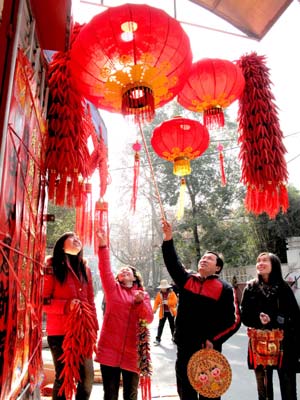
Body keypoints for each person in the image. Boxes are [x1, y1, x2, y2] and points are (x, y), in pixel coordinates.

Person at [161, 219, 241, 400]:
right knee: (186, 393)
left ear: (218, 267)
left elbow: (234, 321)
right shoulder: (187, 280)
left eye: (210, 258)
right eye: (203, 258)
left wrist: (214, 339)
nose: (204, 259)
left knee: (209, 392)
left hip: (209, 350)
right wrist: (168, 239)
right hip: (184, 347)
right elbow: (173, 263)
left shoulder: (225, 288)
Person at [95, 230, 154, 400]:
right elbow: (104, 269)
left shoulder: (143, 295)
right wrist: (103, 246)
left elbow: (148, 319)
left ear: (135, 277)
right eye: (122, 271)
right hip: (109, 349)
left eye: (128, 270)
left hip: (133, 351)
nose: (125, 271)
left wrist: (139, 302)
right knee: (110, 394)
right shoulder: (113, 290)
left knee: (131, 394)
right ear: (119, 278)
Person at [43, 232, 98, 400]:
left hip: (83, 331)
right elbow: (43, 302)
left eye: (79, 238)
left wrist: (94, 327)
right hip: (60, 332)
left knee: (87, 377)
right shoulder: (52, 266)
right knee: (62, 377)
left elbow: (90, 300)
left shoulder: (85, 269)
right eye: (72, 238)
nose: (77, 240)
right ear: (62, 244)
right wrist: (67, 306)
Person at [240, 252, 300, 400]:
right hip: (260, 347)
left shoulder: (284, 288)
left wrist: (274, 320)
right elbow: (245, 317)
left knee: (289, 389)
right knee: (264, 391)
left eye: (265, 260)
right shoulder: (250, 288)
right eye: (258, 260)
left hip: (284, 346)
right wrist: (258, 319)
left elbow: (295, 317)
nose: (260, 263)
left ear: (274, 264)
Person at [153, 279, 178, 345]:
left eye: (164, 287)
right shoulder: (159, 294)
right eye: (162, 287)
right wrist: (154, 309)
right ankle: (158, 339)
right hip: (163, 312)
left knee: (172, 326)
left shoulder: (172, 293)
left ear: (167, 287)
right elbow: (156, 302)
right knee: (160, 326)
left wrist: (168, 302)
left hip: (171, 312)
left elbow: (175, 302)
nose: (163, 289)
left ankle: (174, 338)